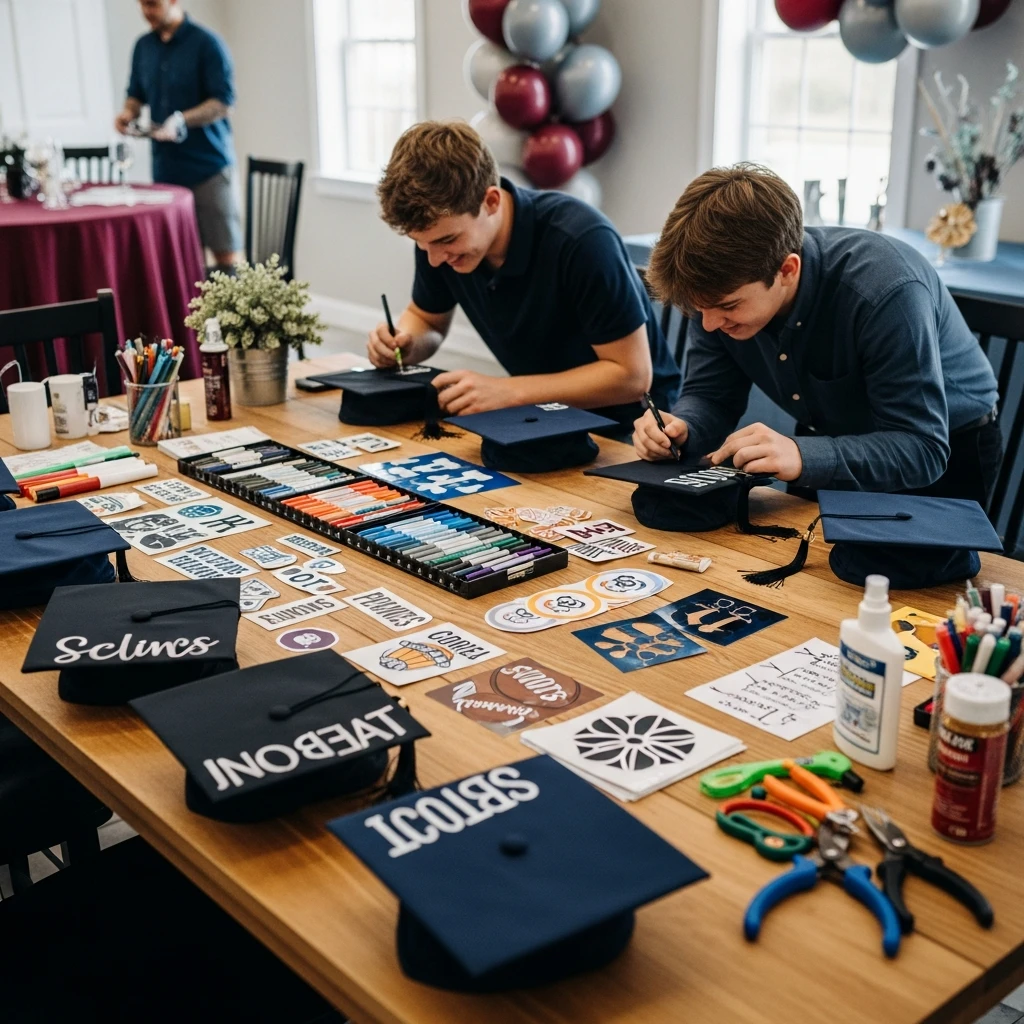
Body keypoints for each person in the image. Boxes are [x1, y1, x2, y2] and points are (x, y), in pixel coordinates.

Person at [633, 164, 1001, 505]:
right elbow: (711, 396)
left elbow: (922, 447)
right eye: (699, 310)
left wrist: (803, 454)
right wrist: (683, 427)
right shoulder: (715, 293)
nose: (710, 324)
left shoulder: (885, 292)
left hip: (947, 451)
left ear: (788, 270)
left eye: (728, 307)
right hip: (828, 441)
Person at [370, 121, 680, 433]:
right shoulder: (437, 244)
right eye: (422, 244)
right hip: (542, 420)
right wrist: (405, 342)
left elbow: (632, 378)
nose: (435, 259)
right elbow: (427, 320)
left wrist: (508, 392)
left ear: (491, 201)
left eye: (446, 241)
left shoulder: (581, 239)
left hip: (634, 431)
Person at [115, 0, 242, 274]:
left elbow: (223, 101)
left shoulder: (207, 44)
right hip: (166, 170)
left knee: (225, 256)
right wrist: (127, 113)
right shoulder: (143, 47)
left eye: (153, 4)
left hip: (208, 167)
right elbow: (136, 93)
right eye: (143, 5)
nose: (147, 11)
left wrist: (182, 119)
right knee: (180, 257)